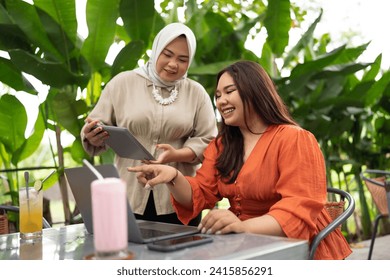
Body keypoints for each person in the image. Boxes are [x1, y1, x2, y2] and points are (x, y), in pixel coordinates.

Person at [128, 60, 352, 260]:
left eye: (229, 91)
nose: (221, 101)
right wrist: (173, 176)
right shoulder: (221, 145)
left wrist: (242, 226)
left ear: (254, 91)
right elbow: (201, 193)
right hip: (246, 243)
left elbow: (297, 209)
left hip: (300, 248)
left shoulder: (294, 139)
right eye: (217, 95)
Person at [81, 23, 218, 226]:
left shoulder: (196, 93)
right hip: (128, 195)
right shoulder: (122, 83)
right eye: (167, 54)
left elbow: (209, 141)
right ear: (155, 51)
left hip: (177, 197)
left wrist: (177, 155)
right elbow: (97, 124)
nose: (173, 64)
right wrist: (92, 135)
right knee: (129, 255)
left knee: (179, 254)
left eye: (182, 59)